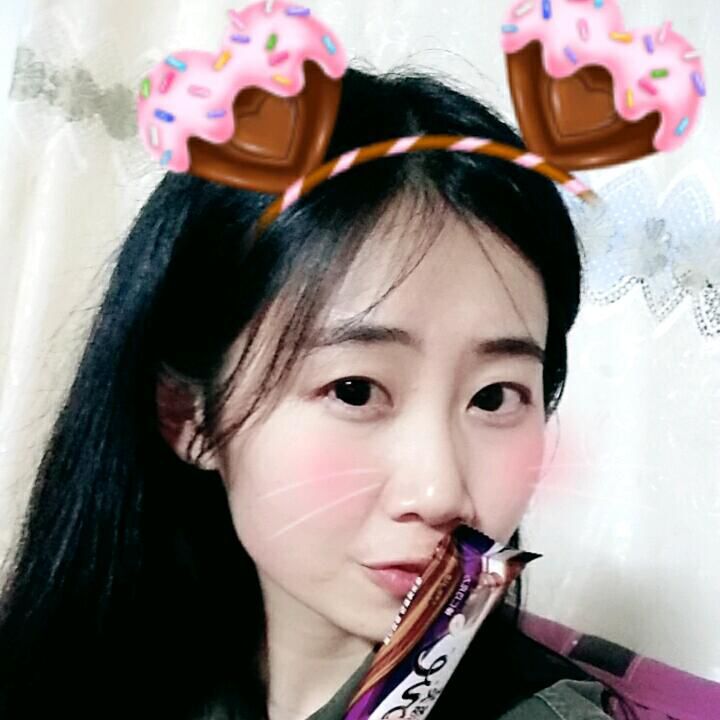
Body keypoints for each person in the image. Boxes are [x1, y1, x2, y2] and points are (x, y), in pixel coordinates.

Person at [0, 65, 640, 720]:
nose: (440, 492)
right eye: (355, 390)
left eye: (495, 397)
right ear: (189, 413)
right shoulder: (74, 668)